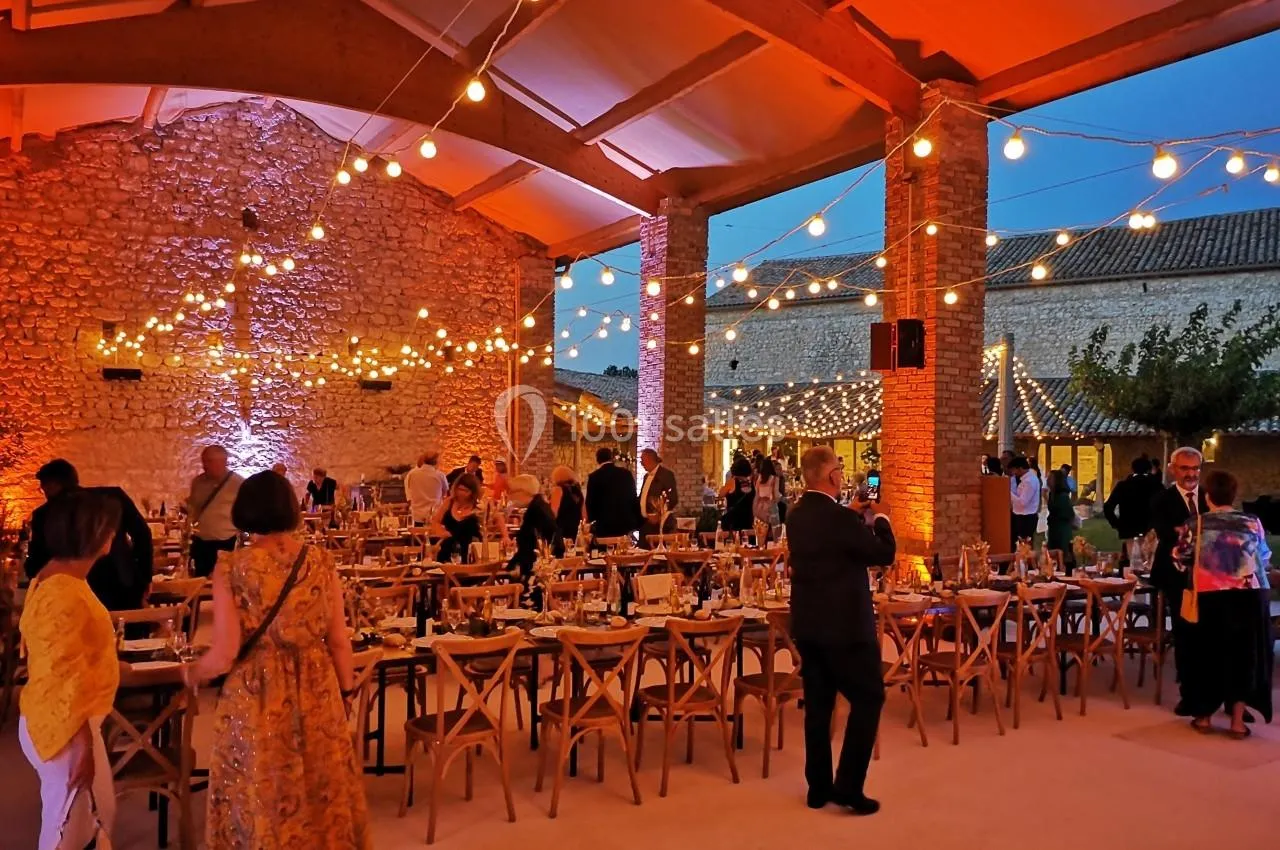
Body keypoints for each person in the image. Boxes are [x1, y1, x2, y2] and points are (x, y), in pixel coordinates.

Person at [187, 471, 370, 849]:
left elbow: (225, 652)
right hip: (318, 684)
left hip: (257, 690)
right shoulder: (320, 561)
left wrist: (192, 672)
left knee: (260, 785)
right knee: (320, 783)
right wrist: (347, 690)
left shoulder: (232, 567)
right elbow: (339, 640)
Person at [786, 446, 894, 816]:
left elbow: (830, 535)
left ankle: (818, 788)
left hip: (808, 623)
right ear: (832, 476)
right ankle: (848, 785)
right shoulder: (840, 520)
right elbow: (883, 553)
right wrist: (881, 516)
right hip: (846, 626)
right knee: (869, 698)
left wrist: (850, 513)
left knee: (818, 706)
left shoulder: (797, 514)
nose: (843, 473)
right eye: (840, 468)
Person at [19, 490, 123, 850]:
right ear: (91, 533)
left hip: (63, 718)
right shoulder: (64, 591)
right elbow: (62, 672)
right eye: (108, 527)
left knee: (94, 817)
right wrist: (82, 745)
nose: (113, 535)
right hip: (63, 725)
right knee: (67, 832)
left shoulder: (56, 577)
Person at [1179, 470, 1273, 736]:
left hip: (1210, 595)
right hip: (1249, 595)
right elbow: (1264, 555)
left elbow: (1181, 556)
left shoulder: (1195, 524)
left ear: (1207, 496)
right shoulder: (1252, 522)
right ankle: (1238, 722)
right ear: (1234, 495)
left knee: (1208, 654)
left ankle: (1204, 717)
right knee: (1244, 656)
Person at [24, 459, 152, 612]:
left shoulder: (45, 514)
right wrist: (144, 577)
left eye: (43, 488)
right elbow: (142, 534)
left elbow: (37, 562)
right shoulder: (112, 497)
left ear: (52, 485)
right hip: (124, 586)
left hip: (73, 598)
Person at [1150, 446, 1209, 716]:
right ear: (1173, 469)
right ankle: (1189, 694)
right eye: (1185, 468)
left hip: (1209, 576)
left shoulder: (1209, 497)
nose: (1191, 474)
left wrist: (1186, 531)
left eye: (1195, 468)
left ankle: (1223, 695)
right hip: (1175, 576)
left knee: (1213, 635)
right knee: (1185, 633)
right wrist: (1197, 533)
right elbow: (1167, 534)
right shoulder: (1162, 499)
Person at [506, 475, 563, 607]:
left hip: (537, 569)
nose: (510, 496)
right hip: (542, 564)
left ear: (523, 492)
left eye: (512, 492)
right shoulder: (540, 506)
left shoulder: (536, 511)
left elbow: (532, 543)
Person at [187, 446, 244, 578]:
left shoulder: (238, 483)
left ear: (223, 461)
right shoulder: (197, 482)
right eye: (203, 461)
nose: (204, 466)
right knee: (198, 581)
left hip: (225, 543)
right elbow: (193, 507)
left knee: (223, 580)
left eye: (209, 461)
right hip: (200, 543)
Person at [585, 447, 641, 542]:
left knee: (605, 548)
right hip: (625, 522)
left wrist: (592, 522)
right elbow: (633, 498)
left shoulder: (594, 477)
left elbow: (590, 503)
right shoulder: (626, 474)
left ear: (597, 460)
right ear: (611, 458)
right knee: (624, 548)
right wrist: (637, 521)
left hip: (604, 524)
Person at [1103, 456, 1165, 540]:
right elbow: (1167, 507)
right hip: (1151, 532)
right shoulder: (1157, 486)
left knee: (1131, 548)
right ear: (1149, 470)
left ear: (1132, 469)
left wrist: (1117, 524)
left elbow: (1108, 507)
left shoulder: (1123, 486)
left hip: (1128, 531)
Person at [434, 474, 483, 563]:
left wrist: (505, 536)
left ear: (473, 492)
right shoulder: (449, 502)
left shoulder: (478, 506)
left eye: (466, 491)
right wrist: (441, 531)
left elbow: (497, 516)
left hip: (470, 550)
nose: (461, 493)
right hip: (448, 548)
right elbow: (436, 521)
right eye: (459, 489)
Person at [637, 448, 679, 546]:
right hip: (645, 524)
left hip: (659, 524)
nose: (641, 463)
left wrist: (659, 515)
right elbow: (643, 497)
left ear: (650, 459)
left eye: (642, 460)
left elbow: (672, 498)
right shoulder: (646, 476)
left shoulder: (666, 475)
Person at [404, 453, 449, 525]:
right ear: (436, 462)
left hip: (417, 514)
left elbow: (409, 490)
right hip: (435, 513)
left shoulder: (412, 474)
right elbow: (445, 491)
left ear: (424, 461)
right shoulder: (440, 475)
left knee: (418, 531)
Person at [1045, 470, 1076, 570]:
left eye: (1050, 478)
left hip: (1062, 528)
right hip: (1053, 527)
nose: (1048, 480)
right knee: (1052, 553)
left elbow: (1069, 514)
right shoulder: (1051, 494)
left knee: (1063, 551)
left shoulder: (1063, 496)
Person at [1008, 456, 1040, 549]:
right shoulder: (1024, 480)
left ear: (1020, 468)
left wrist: (1008, 492)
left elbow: (1022, 502)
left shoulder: (1030, 481)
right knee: (1019, 545)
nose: (1014, 473)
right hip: (1021, 516)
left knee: (1025, 547)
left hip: (1026, 518)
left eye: (1014, 470)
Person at [549, 465, 584, 543]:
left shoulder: (558, 490)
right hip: (576, 530)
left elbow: (553, 513)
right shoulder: (578, 492)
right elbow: (584, 514)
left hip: (561, 530)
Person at [719, 457, 755, 533]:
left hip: (733, 523)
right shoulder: (752, 484)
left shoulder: (732, 482)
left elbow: (721, 494)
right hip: (748, 521)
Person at [753, 457, 781, 530]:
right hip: (771, 506)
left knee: (761, 531)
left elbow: (756, 495)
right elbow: (776, 496)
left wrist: (754, 509)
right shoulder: (775, 479)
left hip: (760, 507)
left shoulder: (759, 478)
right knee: (773, 531)